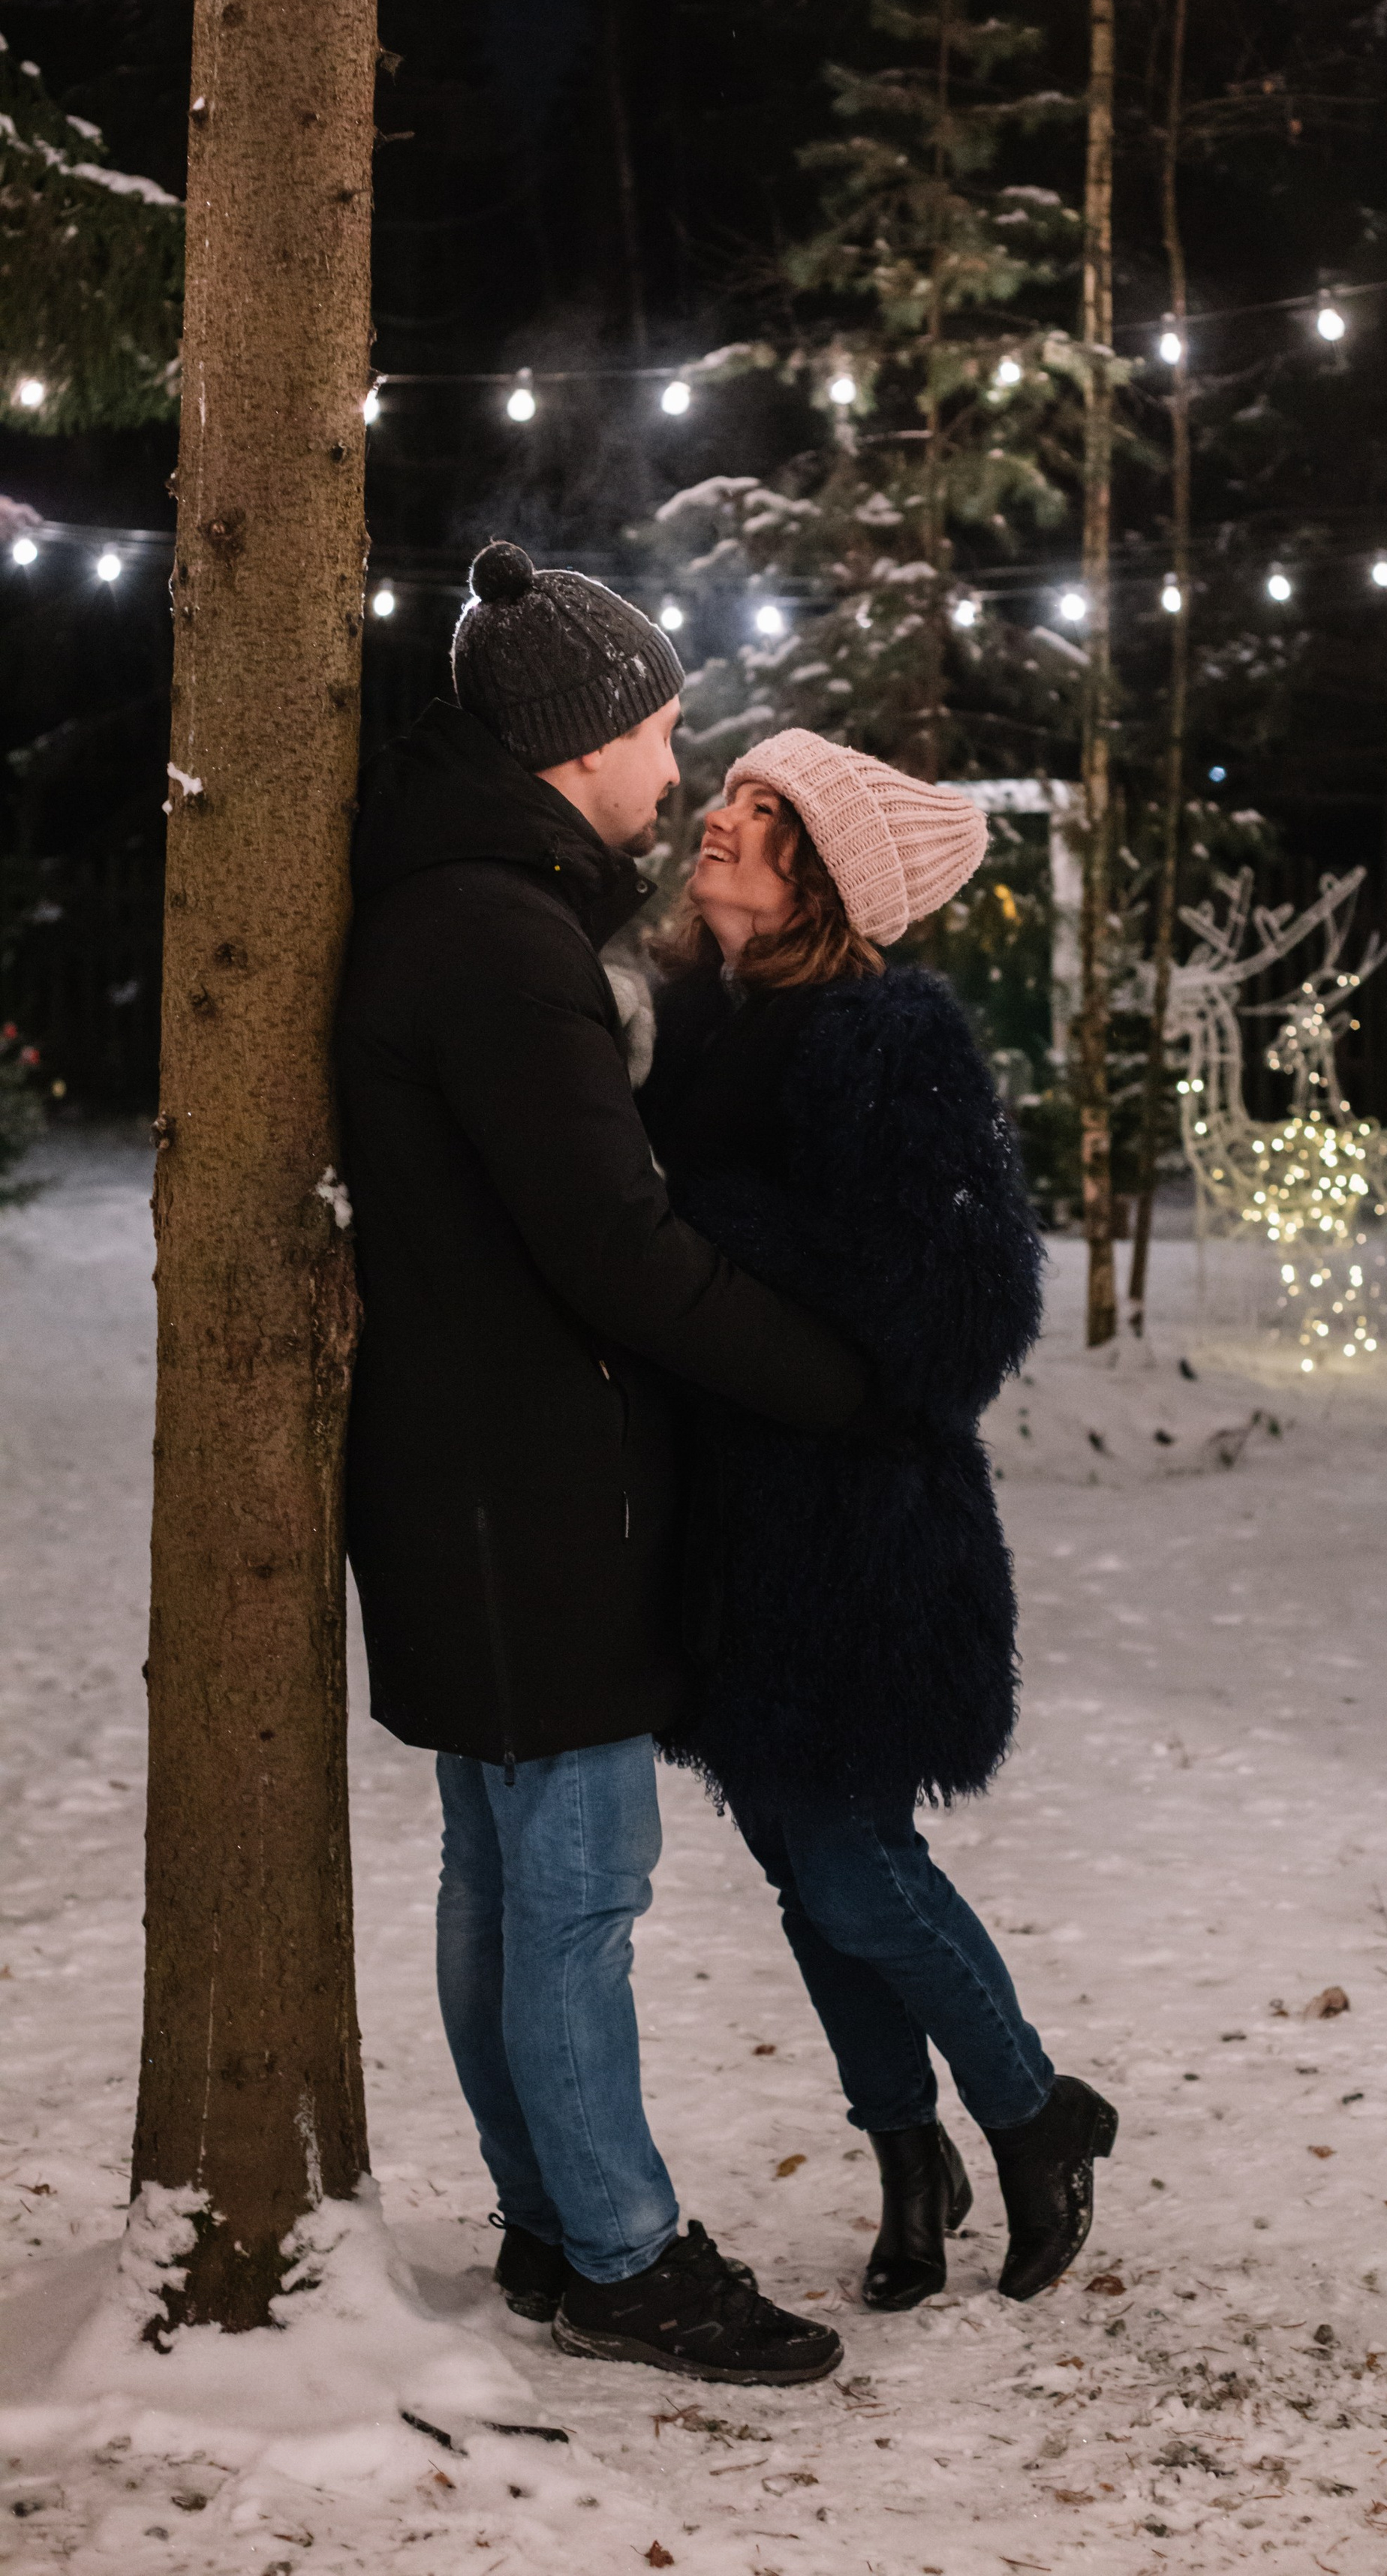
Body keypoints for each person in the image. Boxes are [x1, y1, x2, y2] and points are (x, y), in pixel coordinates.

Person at [337, 540, 864, 2388]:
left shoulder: (476, 904)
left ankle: (557, 2233)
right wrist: (828, 1376)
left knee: (507, 1877)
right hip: (519, 1484)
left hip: (470, 1471)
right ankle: (623, 2254)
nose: (676, 751)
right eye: (655, 720)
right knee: (567, 1883)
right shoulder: (494, 933)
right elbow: (610, 1245)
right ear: (578, 743)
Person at [637, 728, 1118, 2316]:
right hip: (734, 1528)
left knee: (848, 1867)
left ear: (823, 879)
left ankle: (1033, 2109)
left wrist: (707, 1227)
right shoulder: (706, 1022)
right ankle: (909, 2165)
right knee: (806, 1867)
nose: (720, 817)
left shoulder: (887, 1035)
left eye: (762, 817)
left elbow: (960, 1302)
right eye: (727, 796)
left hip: (855, 1531)